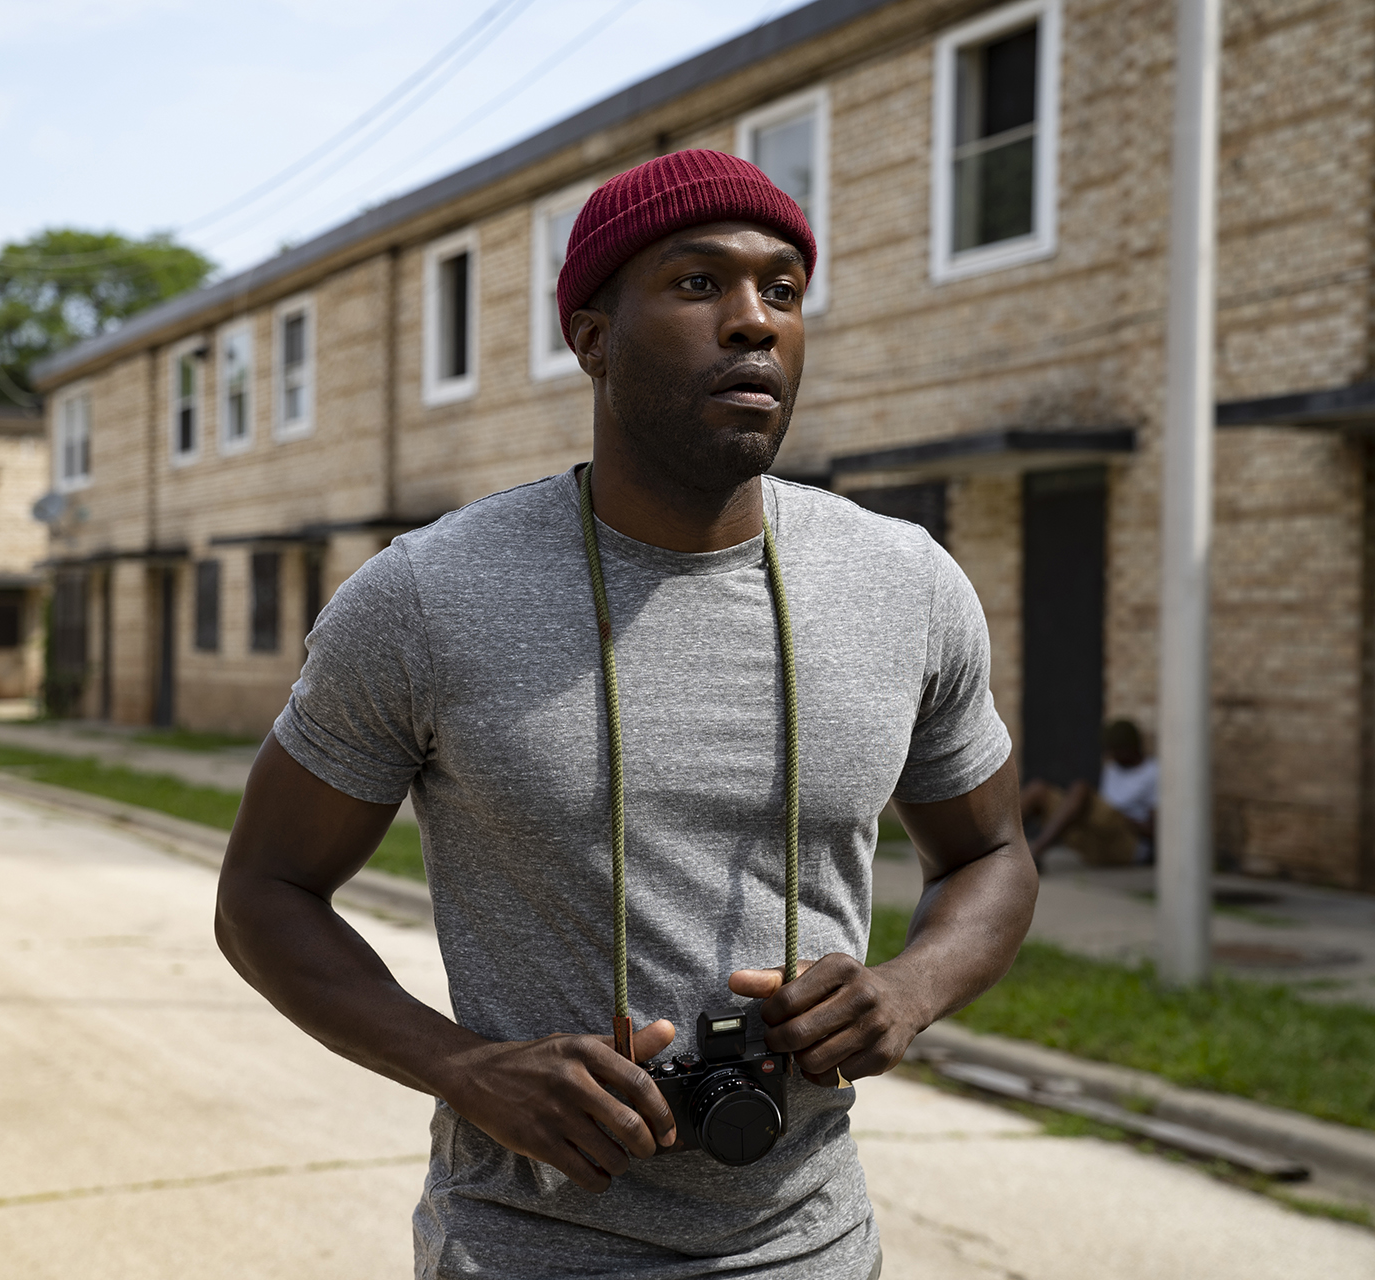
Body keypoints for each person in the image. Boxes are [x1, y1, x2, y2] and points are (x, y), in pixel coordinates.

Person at [215, 150, 1037, 1279]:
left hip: (815, 1244)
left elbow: (993, 852)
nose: (753, 320)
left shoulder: (906, 583)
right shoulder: (427, 598)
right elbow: (263, 893)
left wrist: (910, 984)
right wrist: (466, 1068)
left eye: (783, 291)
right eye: (700, 284)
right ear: (593, 337)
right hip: (525, 1245)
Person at [1019, 719, 1158, 868]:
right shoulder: (1112, 768)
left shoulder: (1153, 773)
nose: (1110, 755)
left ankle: (1035, 852)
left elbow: (1156, 831)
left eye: (1115, 751)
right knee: (1038, 790)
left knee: (1081, 789)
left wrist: (1124, 818)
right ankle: (994, 849)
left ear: (1130, 748)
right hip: (1097, 836)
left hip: (1128, 843)